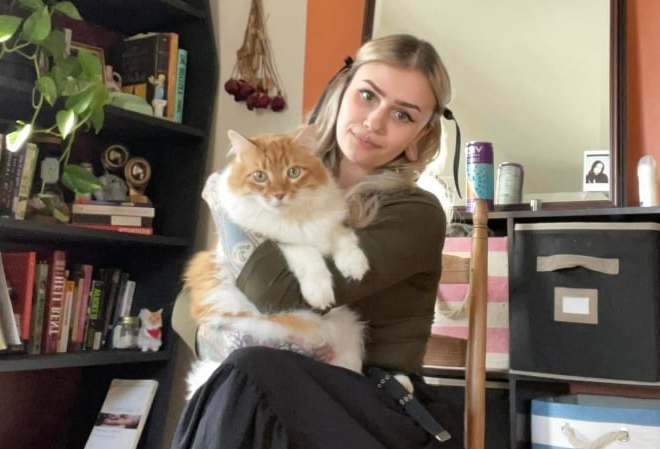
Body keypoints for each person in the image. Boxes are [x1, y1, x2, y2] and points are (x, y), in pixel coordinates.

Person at [171, 34, 464, 449]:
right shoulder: (284, 187)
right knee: (245, 369)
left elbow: (281, 292)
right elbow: (186, 309)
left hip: (372, 408)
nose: (374, 122)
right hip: (275, 392)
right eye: (367, 96)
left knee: (251, 371)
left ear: (419, 135)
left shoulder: (416, 211)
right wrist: (230, 338)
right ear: (340, 92)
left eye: (402, 115)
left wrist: (225, 200)